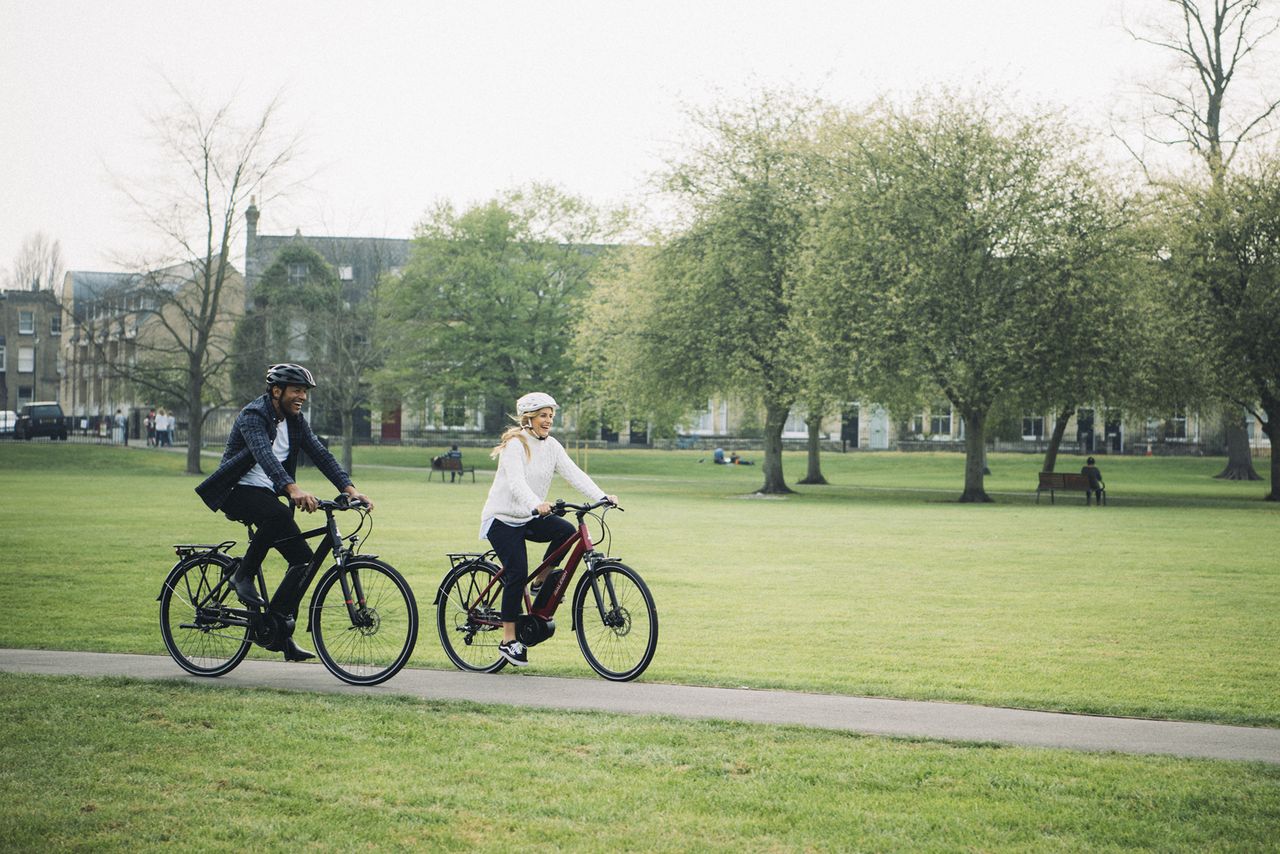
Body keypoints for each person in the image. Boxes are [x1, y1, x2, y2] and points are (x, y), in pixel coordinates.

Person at [195, 363, 374, 662]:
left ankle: (276, 630)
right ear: (276, 391)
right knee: (278, 514)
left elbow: (320, 453)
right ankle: (242, 576)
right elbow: (264, 456)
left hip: (267, 494)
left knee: (303, 561)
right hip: (235, 491)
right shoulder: (254, 415)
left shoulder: (295, 421)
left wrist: (350, 489)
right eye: (296, 390)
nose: (302, 396)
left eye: (304, 391)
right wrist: (292, 489)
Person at [480, 392, 617, 667]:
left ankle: (541, 580)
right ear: (528, 418)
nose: (548, 421)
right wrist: (537, 503)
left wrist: (602, 496)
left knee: (566, 531)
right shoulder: (515, 445)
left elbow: (574, 473)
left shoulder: (552, 446)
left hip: (529, 516)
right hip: (503, 518)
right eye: (543, 415)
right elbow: (517, 484)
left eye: (551, 416)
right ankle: (508, 640)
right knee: (516, 571)